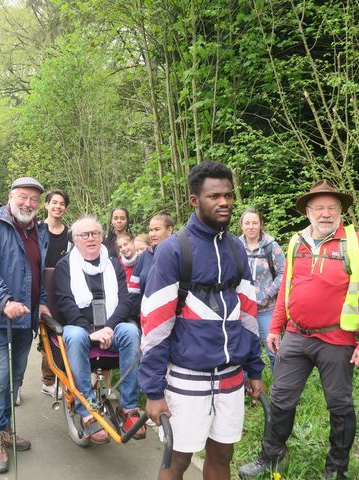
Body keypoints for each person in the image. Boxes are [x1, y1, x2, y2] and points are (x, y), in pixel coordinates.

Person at [239, 180, 359, 480]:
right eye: (319, 207)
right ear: (308, 211)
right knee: (280, 398)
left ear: (340, 210)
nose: (326, 213)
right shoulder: (295, 242)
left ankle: (336, 470)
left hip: (337, 339)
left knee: (340, 406)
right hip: (296, 336)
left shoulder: (355, 243)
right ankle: (271, 457)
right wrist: (275, 327)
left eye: (332, 207)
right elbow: (287, 290)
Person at [139, 161, 265, 480]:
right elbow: (155, 327)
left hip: (231, 378)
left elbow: (248, 316)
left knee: (222, 457)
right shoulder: (174, 250)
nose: (224, 202)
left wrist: (254, 369)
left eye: (228, 195)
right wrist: (153, 392)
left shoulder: (237, 249)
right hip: (186, 379)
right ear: (195, 200)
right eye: (214, 196)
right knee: (176, 461)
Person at [0, 176, 50, 474]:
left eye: (33, 199)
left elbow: (36, 271)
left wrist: (41, 300)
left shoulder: (37, 230)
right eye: (23, 197)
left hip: (25, 315)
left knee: (15, 376)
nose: (28, 203)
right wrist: (5, 301)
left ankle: (4, 429)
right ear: (10, 196)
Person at [54, 216, 145, 444]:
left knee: (131, 332)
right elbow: (65, 302)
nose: (91, 238)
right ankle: (87, 411)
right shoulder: (65, 265)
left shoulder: (113, 263)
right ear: (75, 240)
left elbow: (125, 301)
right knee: (74, 335)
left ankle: (129, 407)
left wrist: (109, 328)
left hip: (110, 327)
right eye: (85, 235)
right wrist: (90, 331)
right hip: (81, 329)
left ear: (102, 236)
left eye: (95, 233)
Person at [239, 207, 285, 372]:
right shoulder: (235, 246)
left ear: (261, 224)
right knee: (241, 352)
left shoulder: (271, 246)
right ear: (241, 226)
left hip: (267, 309)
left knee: (274, 350)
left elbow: (283, 273)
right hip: (241, 310)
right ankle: (245, 390)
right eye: (247, 223)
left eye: (254, 223)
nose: (251, 226)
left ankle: (280, 392)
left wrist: (268, 294)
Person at [38, 189, 71, 400]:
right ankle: (47, 380)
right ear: (46, 205)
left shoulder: (70, 233)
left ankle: (62, 377)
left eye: (61, 204)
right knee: (43, 331)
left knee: (61, 330)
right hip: (40, 283)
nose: (57, 206)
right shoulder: (37, 229)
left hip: (63, 284)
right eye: (54, 202)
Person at [128, 212, 174, 317]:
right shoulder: (145, 255)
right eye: (150, 230)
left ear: (169, 230)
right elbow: (133, 290)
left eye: (157, 230)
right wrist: (142, 312)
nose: (152, 234)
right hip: (147, 316)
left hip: (175, 316)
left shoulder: (178, 254)